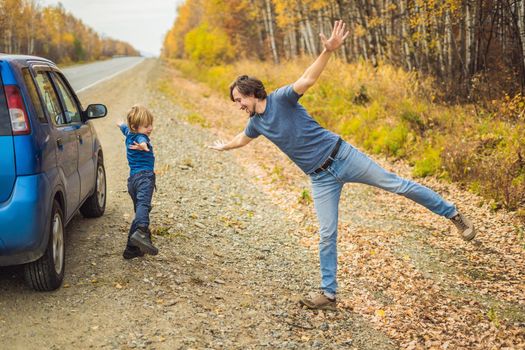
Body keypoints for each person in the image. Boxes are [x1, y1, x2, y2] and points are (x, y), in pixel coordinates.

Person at [208, 20, 476, 310]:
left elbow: (307, 79)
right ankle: (328, 294)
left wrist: (328, 51)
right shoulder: (256, 123)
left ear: (250, 93)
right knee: (326, 234)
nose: (238, 106)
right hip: (321, 179)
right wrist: (225, 146)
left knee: (398, 185)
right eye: (235, 102)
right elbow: (242, 139)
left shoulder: (282, 99)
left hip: (343, 156)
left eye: (238, 100)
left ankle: (452, 214)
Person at [117, 105, 159, 259]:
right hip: (144, 179)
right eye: (146, 126)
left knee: (141, 210)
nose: (150, 128)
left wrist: (120, 124)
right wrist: (144, 146)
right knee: (143, 206)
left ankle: (132, 250)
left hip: (132, 181)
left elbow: (124, 128)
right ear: (135, 126)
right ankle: (142, 232)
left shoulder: (129, 133)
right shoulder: (142, 138)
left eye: (151, 125)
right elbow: (144, 142)